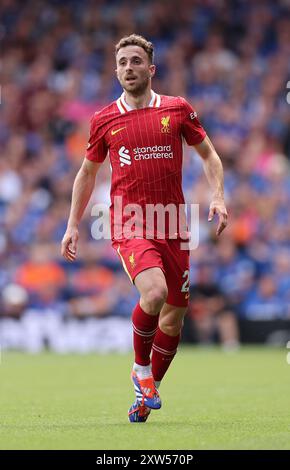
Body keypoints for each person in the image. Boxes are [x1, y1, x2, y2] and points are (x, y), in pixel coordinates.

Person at [61, 34, 228, 422]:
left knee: (173, 317)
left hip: (173, 224)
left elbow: (210, 155)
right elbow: (87, 174)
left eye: (136, 61)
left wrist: (218, 195)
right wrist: (72, 224)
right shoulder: (104, 119)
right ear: (116, 70)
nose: (128, 68)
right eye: (122, 63)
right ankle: (140, 371)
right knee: (154, 292)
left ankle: (146, 392)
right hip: (129, 221)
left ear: (151, 69)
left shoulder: (177, 109)